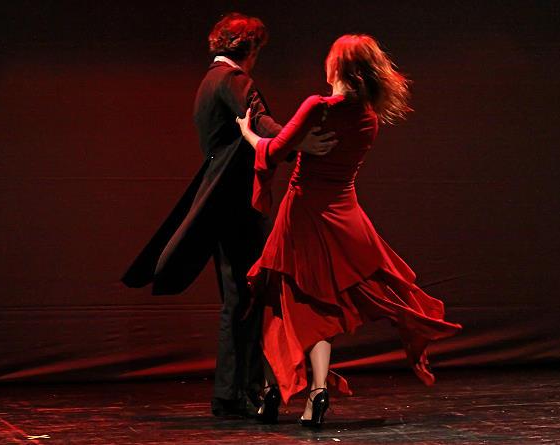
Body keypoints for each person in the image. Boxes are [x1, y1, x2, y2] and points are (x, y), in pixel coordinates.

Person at [236, 34, 462, 426]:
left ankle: (272, 391)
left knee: (280, 299)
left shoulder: (318, 107)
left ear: (338, 67)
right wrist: (302, 144)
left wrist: (248, 133)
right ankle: (316, 391)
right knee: (322, 304)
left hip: (304, 211)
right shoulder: (368, 118)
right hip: (343, 213)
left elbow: (272, 152)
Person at [121, 13, 336, 418]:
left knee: (238, 297)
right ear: (249, 48)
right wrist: (299, 141)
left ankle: (232, 393)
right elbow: (261, 123)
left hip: (220, 201)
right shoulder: (235, 80)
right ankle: (242, 391)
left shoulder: (209, 81)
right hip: (237, 203)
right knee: (247, 297)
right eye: (258, 50)